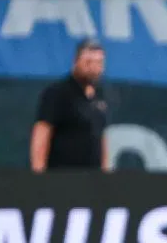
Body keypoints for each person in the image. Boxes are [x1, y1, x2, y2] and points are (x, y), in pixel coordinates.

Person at [30, 40, 109, 172]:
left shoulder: (99, 95)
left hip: (93, 178)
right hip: (62, 175)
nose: (93, 68)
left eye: (99, 63)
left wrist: (106, 174)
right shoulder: (57, 92)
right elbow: (42, 133)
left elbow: (101, 137)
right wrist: (39, 175)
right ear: (76, 62)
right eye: (88, 62)